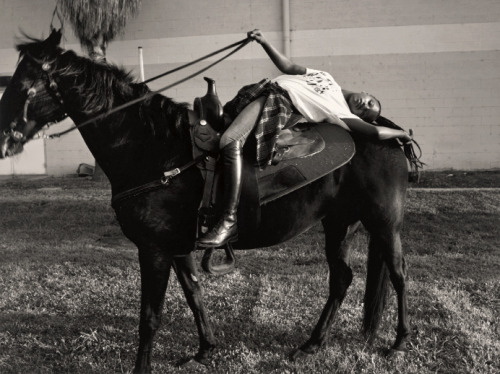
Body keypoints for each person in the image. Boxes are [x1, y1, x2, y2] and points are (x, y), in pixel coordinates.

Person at [196, 29, 412, 248]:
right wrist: (264, 42)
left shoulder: (341, 112)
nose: (365, 106)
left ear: (358, 118)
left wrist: (401, 133)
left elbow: (375, 132)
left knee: (230, 141)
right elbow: (288, 67)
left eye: (366, 112)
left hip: (276, 104)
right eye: (370, 102)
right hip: (260, 91)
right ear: (366, 92)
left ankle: (228, 221)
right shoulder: (326, 77)